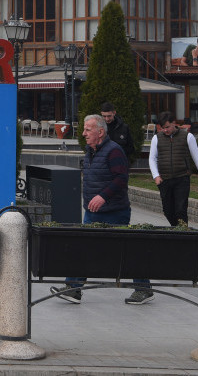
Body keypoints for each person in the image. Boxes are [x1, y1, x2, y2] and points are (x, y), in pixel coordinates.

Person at [51, 114, 153, 305]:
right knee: (83, 247)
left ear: (100, 132)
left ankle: (143, 288)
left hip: (114, 212)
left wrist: (102, 196)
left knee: (123, 252)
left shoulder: (114, 151)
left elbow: (121, 179)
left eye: (88, 130)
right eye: (84, 130)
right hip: (93, 212)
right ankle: (73, 288)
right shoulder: (91, 150)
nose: (83, 134)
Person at [148, 110, 198, 227]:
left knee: (180, 210)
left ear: (174, 123)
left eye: (167, 127)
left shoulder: (187, 136)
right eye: (162, 128)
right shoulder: (156, 138)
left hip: (182, 178)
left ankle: (182, 232)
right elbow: (152, 159)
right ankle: (177, 229)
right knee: (167, 210)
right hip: (164, 179)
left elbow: (197, 157)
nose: (165, 130)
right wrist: (156, 175)